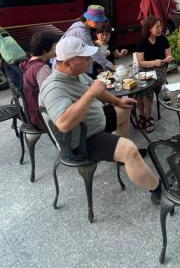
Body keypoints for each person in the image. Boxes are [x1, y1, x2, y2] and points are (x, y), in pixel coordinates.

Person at [39, 36, 161, 204]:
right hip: (81, 140)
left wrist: (118, 101)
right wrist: (91, 94)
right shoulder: (54, 88)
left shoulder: (77, 74)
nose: (89, 60)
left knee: (123, 111)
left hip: (92, 125)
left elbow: (97, 88)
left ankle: (124, 160)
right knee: (129, 150)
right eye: (85, 58)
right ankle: (158, 189)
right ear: (67, 63)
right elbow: (64, 123)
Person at [135, 16, 173, 133]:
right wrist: (153, 62)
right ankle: (141, 114)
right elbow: (141, 62)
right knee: (138, 86)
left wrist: (167, 60)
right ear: (149, 28)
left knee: (146, 87)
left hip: (160, 71)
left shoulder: (163, 40)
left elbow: (169, 56)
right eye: (157, 27)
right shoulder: (142, 42)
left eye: (160, 26)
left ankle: (148, 117)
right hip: (145, 70)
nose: (160, 28)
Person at [20, 31, 59, 130]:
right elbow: (54, 94)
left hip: (32, 114)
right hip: (41, 118)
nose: (56, 50)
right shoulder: (41, 68)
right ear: (45, 49)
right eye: (54, 47)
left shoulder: (29, 63)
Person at [62, 4, 114, 76]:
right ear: (88, 19)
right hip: (68, 66)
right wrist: (110, 65)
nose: (100, 24)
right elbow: (92, 52)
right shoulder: (81, 31)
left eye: (101, 21)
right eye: (97, 21)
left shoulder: (79, 25)